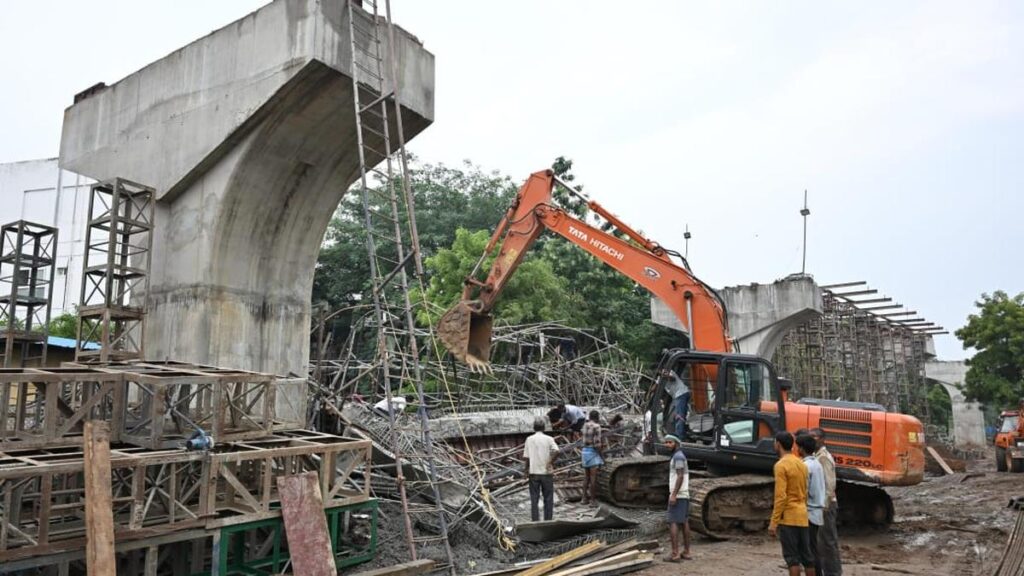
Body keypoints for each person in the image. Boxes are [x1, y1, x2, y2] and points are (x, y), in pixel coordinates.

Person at [769, 431, 815, 576]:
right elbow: (805, 491)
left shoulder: (781, 466)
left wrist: (774, 522)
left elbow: (781, 496)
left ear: (778, 444)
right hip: (802, 516)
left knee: (792, 559)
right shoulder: (801, 464)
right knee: (807, 558)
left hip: (789, 518)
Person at [810, 428, 842, 575]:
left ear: (822, 439)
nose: (811, 439)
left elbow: (829, 485)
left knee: (828, 543)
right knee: (820, 543)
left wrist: (824, 506)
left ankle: (833, 573)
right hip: (822, 505)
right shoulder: (816, 456)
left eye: (814, 437)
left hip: (826, 506)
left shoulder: (823, 457)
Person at [798, 434, 825, 575]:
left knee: (809, 551)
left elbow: (804, 490)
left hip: (809, 512)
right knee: (813, 548)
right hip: (816, 512)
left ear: (801, 449)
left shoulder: (806, 466)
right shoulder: (817, 464)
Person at [523, 416, 559, 521]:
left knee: (534, 499)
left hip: (533, 473)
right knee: (548, 498)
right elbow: (557, 451)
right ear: (544, 428)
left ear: (534, 428)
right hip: (546, 473)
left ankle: (535, 521)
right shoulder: (549, 439)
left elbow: (527, 457)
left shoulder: (529, 439)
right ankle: (548, 520)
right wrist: (550, 462)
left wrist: (526, 470)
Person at [664, 434, 692, 562]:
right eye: (666, 442)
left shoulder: (678, 457)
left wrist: (674, 494)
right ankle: (686, 552)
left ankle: (675, 554)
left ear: (676, 443)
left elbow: (680, 476)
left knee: (673, 522)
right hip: (684, 494)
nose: (667, 445)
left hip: (679, 495)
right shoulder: (679, 456)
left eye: (670, 442)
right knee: (684, 522)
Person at [581, 410, 605, 505]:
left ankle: (584, 499)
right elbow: (597, 444)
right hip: (592, 452)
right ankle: (592, 501)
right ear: (597, 417)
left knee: (586, 477)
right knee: (593, 478)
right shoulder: (597, 427)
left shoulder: (585, 425)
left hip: (584, 451)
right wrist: (602, 456)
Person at [660, 369, 691, 440]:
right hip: (676, 396)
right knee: (673, 416)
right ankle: (678, 432)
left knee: (679, 416)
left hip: (681, 394)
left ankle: (680, 437)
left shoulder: (668, 372)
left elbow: (672, 378)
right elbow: (656, 386)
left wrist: (666, 376)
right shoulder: (660, 378)